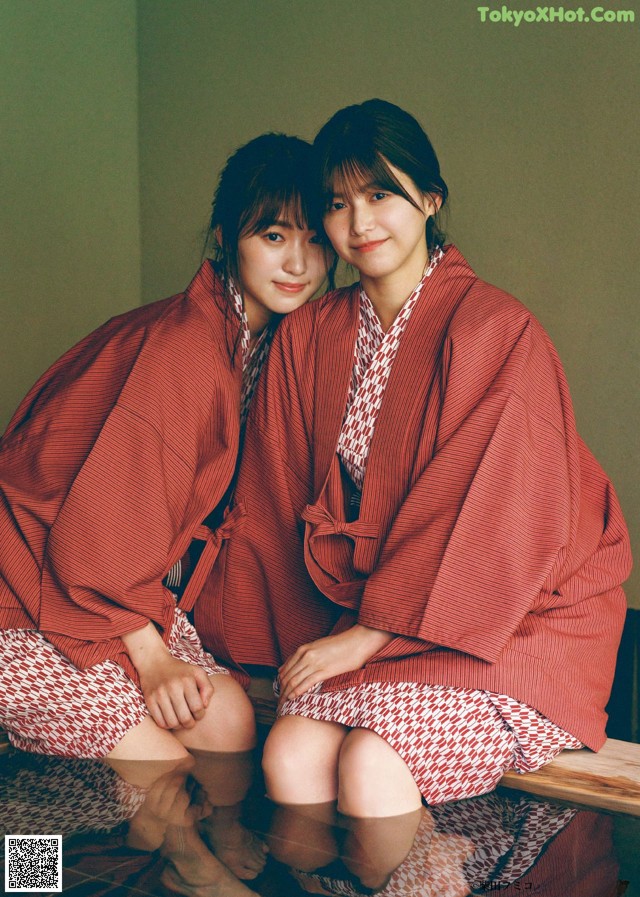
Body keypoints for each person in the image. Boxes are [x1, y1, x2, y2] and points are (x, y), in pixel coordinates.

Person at [196, 100, 632, 819]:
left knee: (373, 760)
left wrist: (366, 637)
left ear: (430, 201)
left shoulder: (499, 331)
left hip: (516, 623)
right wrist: (260, 648)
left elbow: (497, 522)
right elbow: (273, 500)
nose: (359, 222)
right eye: (338, 203)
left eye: (380, 194)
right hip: (379, 620)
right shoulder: (312, 335)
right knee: (290, 749)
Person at [0, 132, 331, 767]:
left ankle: (182, 856)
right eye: (273, 236)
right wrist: (152, 661)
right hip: (23, 590)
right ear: (222, 237)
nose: (297, 263)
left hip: (97, 589)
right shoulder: (184, 349)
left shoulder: (254, 344)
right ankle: (43, 866)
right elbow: (98, 533)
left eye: (314, 239)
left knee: (229, 722)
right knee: (160, 770)